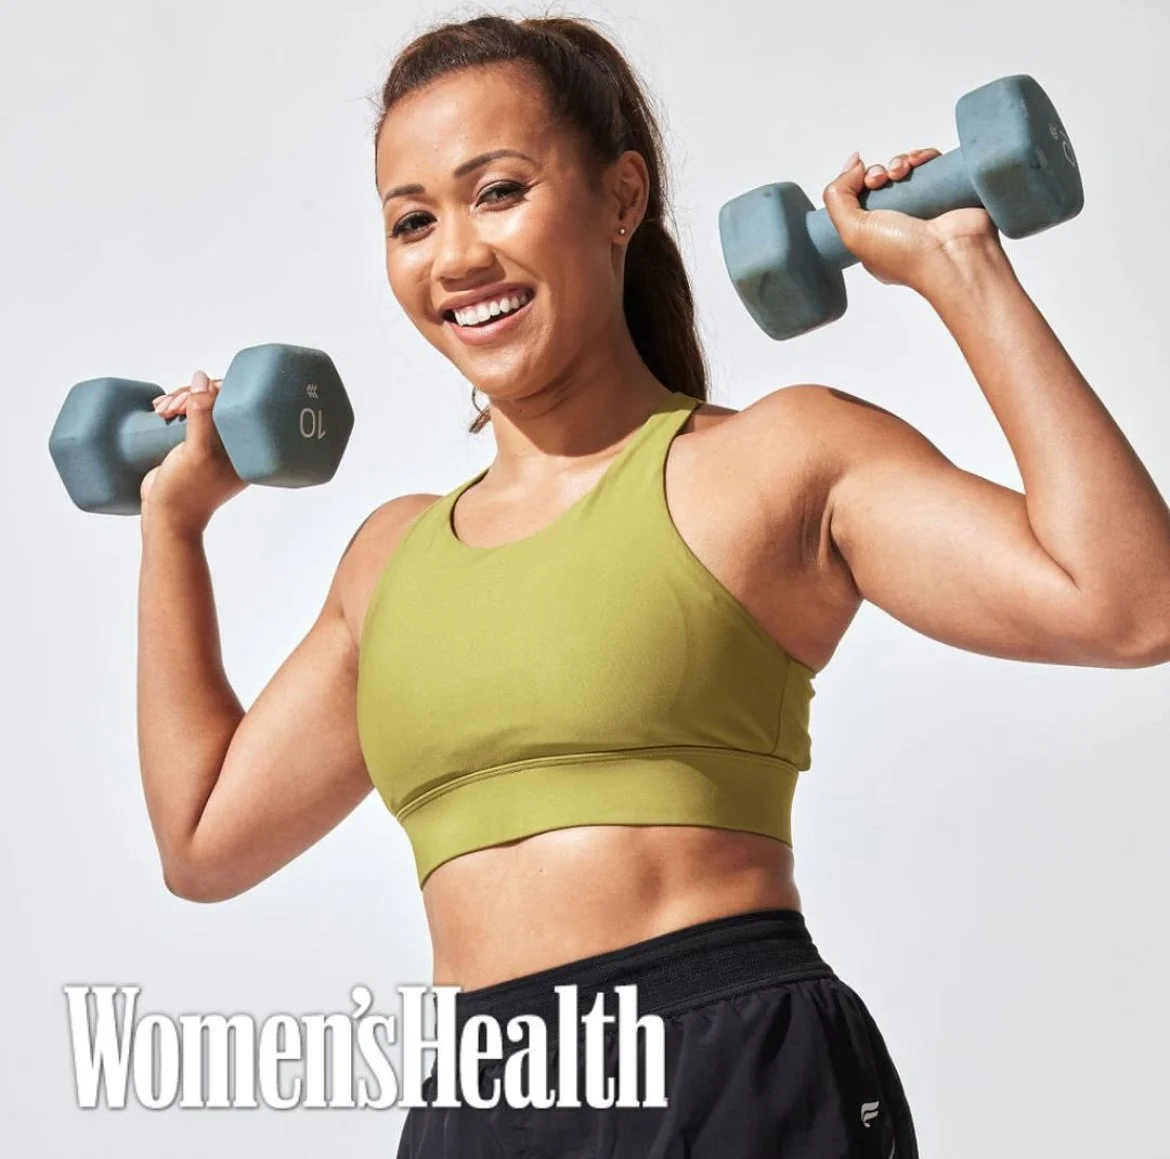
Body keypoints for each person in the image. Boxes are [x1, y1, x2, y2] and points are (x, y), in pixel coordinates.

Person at [134, 13, 1170, 1158]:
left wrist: (965, 274)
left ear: (621, 198)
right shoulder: (389, 560)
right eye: (413, 220)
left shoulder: (771, 465)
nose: (458, 256)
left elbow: (1130, 604)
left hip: (727, 1067)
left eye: (500, 192)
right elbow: (203, 841)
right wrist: (172, 529)